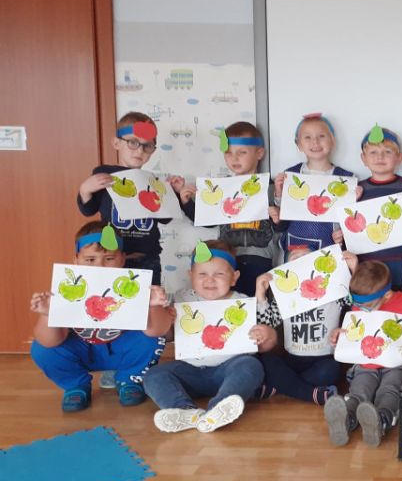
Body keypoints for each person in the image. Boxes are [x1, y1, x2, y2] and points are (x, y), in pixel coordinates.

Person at [29, 221, 168, 411]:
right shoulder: (67, 289)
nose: (100, 266)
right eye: (90, 259)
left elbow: (158, 331)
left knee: (153, 338)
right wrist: (47, 314)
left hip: (123, 351)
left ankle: (129, 379)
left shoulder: (135, 287)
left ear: (122, 259)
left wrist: (154, 306)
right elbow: (49, 342)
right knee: (41, 349)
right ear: (76, 260)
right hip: (82, 351)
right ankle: (75, 385)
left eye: (109, 258)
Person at [143, 241, 272, 433]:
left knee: (251, 366)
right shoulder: (180, 299)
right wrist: (156, 307)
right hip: (190, 371)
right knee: (154, 375)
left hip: (229, 370)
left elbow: (263, 342)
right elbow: (165, 334)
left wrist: (265, 335)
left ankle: (217, 410)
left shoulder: (242, 302)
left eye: (219, 274)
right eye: (202, 274)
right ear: (191, 275)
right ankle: (185, 412)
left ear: (234, 277)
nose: (210, 280)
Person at [323, 260, 402, 447]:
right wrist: (338, 335)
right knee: (359, 389)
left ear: (387, 295)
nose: (360, 309)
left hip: (399, 364)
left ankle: (381, 420)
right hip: (367, 363)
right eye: (356, 305)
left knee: (390, 388)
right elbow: (353, 330)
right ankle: (346, 418)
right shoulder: (361, 304)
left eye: (367, 306)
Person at [77, 112, 185, 285]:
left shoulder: (153, 181)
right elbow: (88, 210)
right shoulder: (104, 174)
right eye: (133, 142)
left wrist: (173, 194)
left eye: (147, 145)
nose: (140, 150)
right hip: (111, 258)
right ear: (116, 143)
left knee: (150, 300)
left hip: (147, 257)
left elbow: (165, 219)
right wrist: (85, 190)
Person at [179, 121, 279, 296]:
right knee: (231, 305)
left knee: (258, 302)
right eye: (228, 153)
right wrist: (186, 202)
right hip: (227, 263)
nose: (234, 158)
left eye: (242, 152)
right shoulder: (221, 188)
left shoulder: (271, 188)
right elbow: (207, 220)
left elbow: (283, 227)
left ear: (259, 153)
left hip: (261, 259)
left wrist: (277, 217)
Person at [254, 247, 360, 405]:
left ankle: (279, 386)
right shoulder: (284, 296)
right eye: (294, 257)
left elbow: (358, 302)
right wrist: (260, 294)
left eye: (306, 256)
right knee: (266, 361)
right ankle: (311, 394)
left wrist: (355, 270)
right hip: (292, 361)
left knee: (331, 369)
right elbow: (267, 324)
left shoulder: (334, 291)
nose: (300, 260)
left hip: (323, 361)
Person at [272, 112, 359, 260]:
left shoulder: (346, 179)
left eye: (321, 136)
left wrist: (345, 232)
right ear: (298, 144)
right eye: (307, 137)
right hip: (295, 250)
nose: (315, 142)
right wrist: (279, 195)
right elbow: (281, 223)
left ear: (332, 141)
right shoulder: (290, 176)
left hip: (329, 250)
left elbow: (351, 223)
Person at [356, 125, 402, 291]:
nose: (380, 157)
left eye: (388, 152)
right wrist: (351, 200)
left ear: (399, 157)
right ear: (363, 158)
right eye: (373, 152)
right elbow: (351, 224)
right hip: (366, 259)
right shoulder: (358, 188)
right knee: (369, 296)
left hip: (397, 257)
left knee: (396, 297)